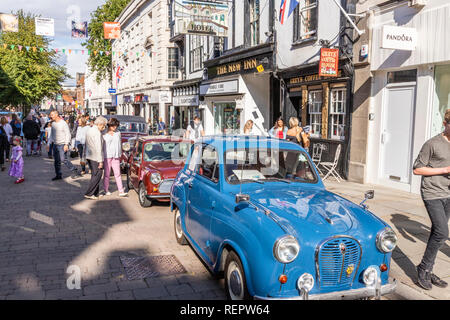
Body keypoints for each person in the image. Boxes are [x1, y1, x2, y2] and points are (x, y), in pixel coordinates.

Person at [413, 109, 450, 290]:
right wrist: (444, 170)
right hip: (432, 193)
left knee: (437, 233)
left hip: (447, 194)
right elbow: (417, 169)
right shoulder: (432, 143)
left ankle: (428, 269)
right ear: (445, 124)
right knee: (443, 232)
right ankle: (423, 269)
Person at [49, 110, 81, 180]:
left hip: (62, 144)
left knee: (63, 159)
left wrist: (66, 144)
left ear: (56, 114)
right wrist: (49, 143)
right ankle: (58, 174)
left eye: (52, 115)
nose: (50, 116)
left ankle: (74, 170)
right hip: (55, 144)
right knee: (56, 161)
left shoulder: (63, 123)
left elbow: (68, 134)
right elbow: (52, 134)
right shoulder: (53, 124)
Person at [103, 118, 128, 197]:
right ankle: (106, 189)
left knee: (118, 174)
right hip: (107, 155)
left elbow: (119, 143)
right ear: (110, 125)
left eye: (116, 126)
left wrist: (120, 153)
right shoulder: (104, 133)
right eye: (113, 126)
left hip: (116, 155)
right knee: (107, 174)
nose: (115, 128)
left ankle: (121, 190)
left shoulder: (118, 133)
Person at [84, 116, 107, 200]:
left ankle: (95, 193)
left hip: (89, 155)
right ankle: (89, 193)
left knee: (95, 174)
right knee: (98, 174)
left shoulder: (90, 130)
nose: (104, 127)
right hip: (95, 156)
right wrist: (100, 161)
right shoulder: (97, 133)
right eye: (103, 125)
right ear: (99, 124)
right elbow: (98, 147)